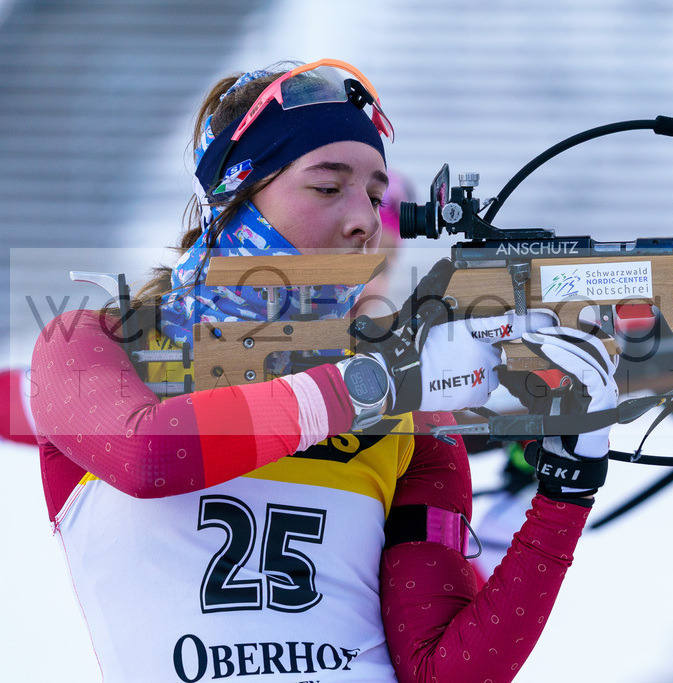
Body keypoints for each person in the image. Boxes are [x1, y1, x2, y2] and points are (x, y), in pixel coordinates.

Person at [29, 59, 617, 682]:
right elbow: (149, 456)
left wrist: (568, 486)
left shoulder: (411, 412)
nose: (365, 221)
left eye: (374, 194)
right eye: (327, 186)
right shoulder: (97, 344)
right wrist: (377, 382)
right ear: (233, 193)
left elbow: (444, 673)